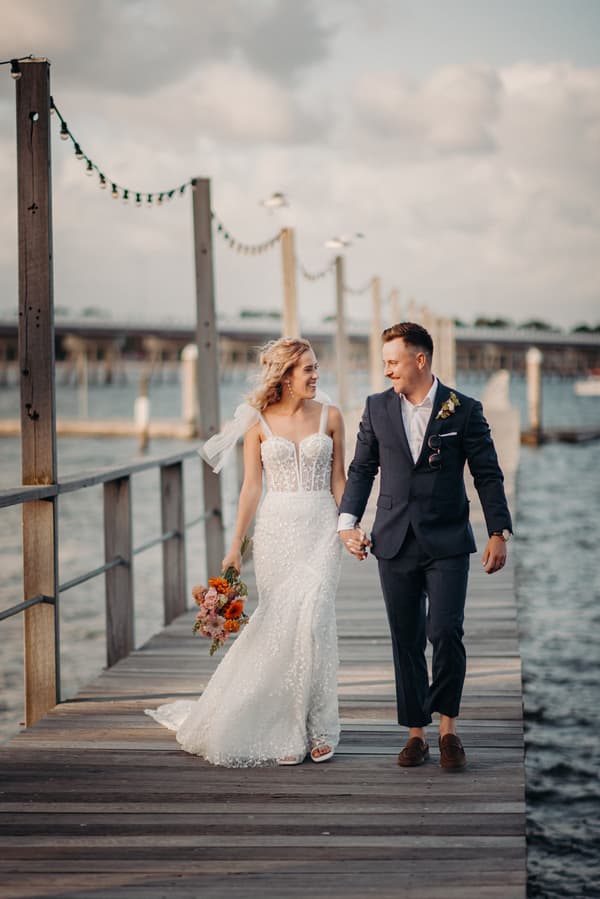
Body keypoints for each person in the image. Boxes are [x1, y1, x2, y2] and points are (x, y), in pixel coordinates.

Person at [146, 337, 346, 767]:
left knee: (314, 621)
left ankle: (321, 726)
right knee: (280, 624)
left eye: (315, 367)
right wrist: (235, 545)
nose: (315, 376)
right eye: (307, 369)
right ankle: (288, 728)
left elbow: (340, 481)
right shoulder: (259, 423)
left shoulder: (332, 417)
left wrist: (350, 526)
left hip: (322, 528)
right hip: (276, 531)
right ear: (286, 376)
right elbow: (251, 486)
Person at [338, 322, 512, 770]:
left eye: (392, 362)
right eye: (383, 363)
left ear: (420, 360)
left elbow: (487, 473)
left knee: (445, 633)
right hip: (393, 539)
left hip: (448, 540)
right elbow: (361, 469)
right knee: (407, 639)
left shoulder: (464, 410)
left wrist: (498, 531)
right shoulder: (376, 408)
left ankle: (449, 729)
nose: (386, 370)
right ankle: (416, 733)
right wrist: (347, 522)